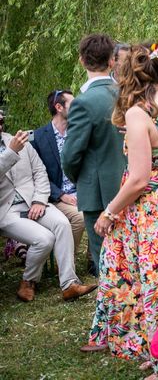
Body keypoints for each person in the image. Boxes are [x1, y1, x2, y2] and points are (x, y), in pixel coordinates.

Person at [83, 43, 158, 380]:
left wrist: (108, 213)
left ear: (128, 74)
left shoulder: (137, 113)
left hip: (152, 209)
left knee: (155, 283)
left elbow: (139, 180)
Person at [0, 110, 96, 302]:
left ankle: (69, 284)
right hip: (6, 209)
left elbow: (40, 173)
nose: (0, 125)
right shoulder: (15, 146)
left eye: (1, 120)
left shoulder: (18, 140)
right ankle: (28, 281)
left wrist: (39, 200)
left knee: (63, 224)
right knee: (44, 239)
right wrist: (11, 152)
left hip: (34, 201)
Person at [62, 34, 126, 276]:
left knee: (105, 259)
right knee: (128, 253)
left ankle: (112, 311)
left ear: (81, 61)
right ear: (111, 61)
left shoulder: (83, 103)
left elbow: (70, 156)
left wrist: (81, 178)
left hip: (99, 194)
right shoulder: (126, 95)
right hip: (129, 186)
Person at [31, 90, 85, 254]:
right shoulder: (38, 137)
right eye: (73, 104)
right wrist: (61, 195)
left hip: (82, 190)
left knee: (102, 208)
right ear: (59, 107)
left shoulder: (80, 131)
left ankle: (94, 260)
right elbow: (36, 175)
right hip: (56, 196)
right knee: (80, 218)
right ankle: (67, 260)